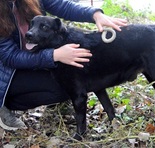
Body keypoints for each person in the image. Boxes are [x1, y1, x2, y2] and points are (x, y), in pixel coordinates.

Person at [0, 0, 127, 130]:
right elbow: (10, 57)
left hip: (33, 56)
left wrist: (94, 14)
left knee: (69, 84)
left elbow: (62, 6)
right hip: (6, 73)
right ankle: (3, 105)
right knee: (63, 87)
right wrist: (54, 55)